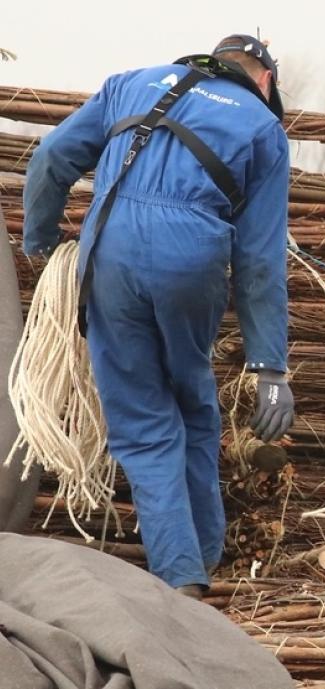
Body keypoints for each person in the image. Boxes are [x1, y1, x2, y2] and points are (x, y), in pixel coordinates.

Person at [22, 35, 296, 598]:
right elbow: (260, 257)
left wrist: (42, 239)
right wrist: (270, 366)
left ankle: (182, 576)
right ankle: (202, 559)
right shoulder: (264, 127)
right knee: (193, 403)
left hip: (112, 253)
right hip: (193, 256)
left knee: (146, 425)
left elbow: (52, 158)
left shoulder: (130, 83)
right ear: (264, 81)